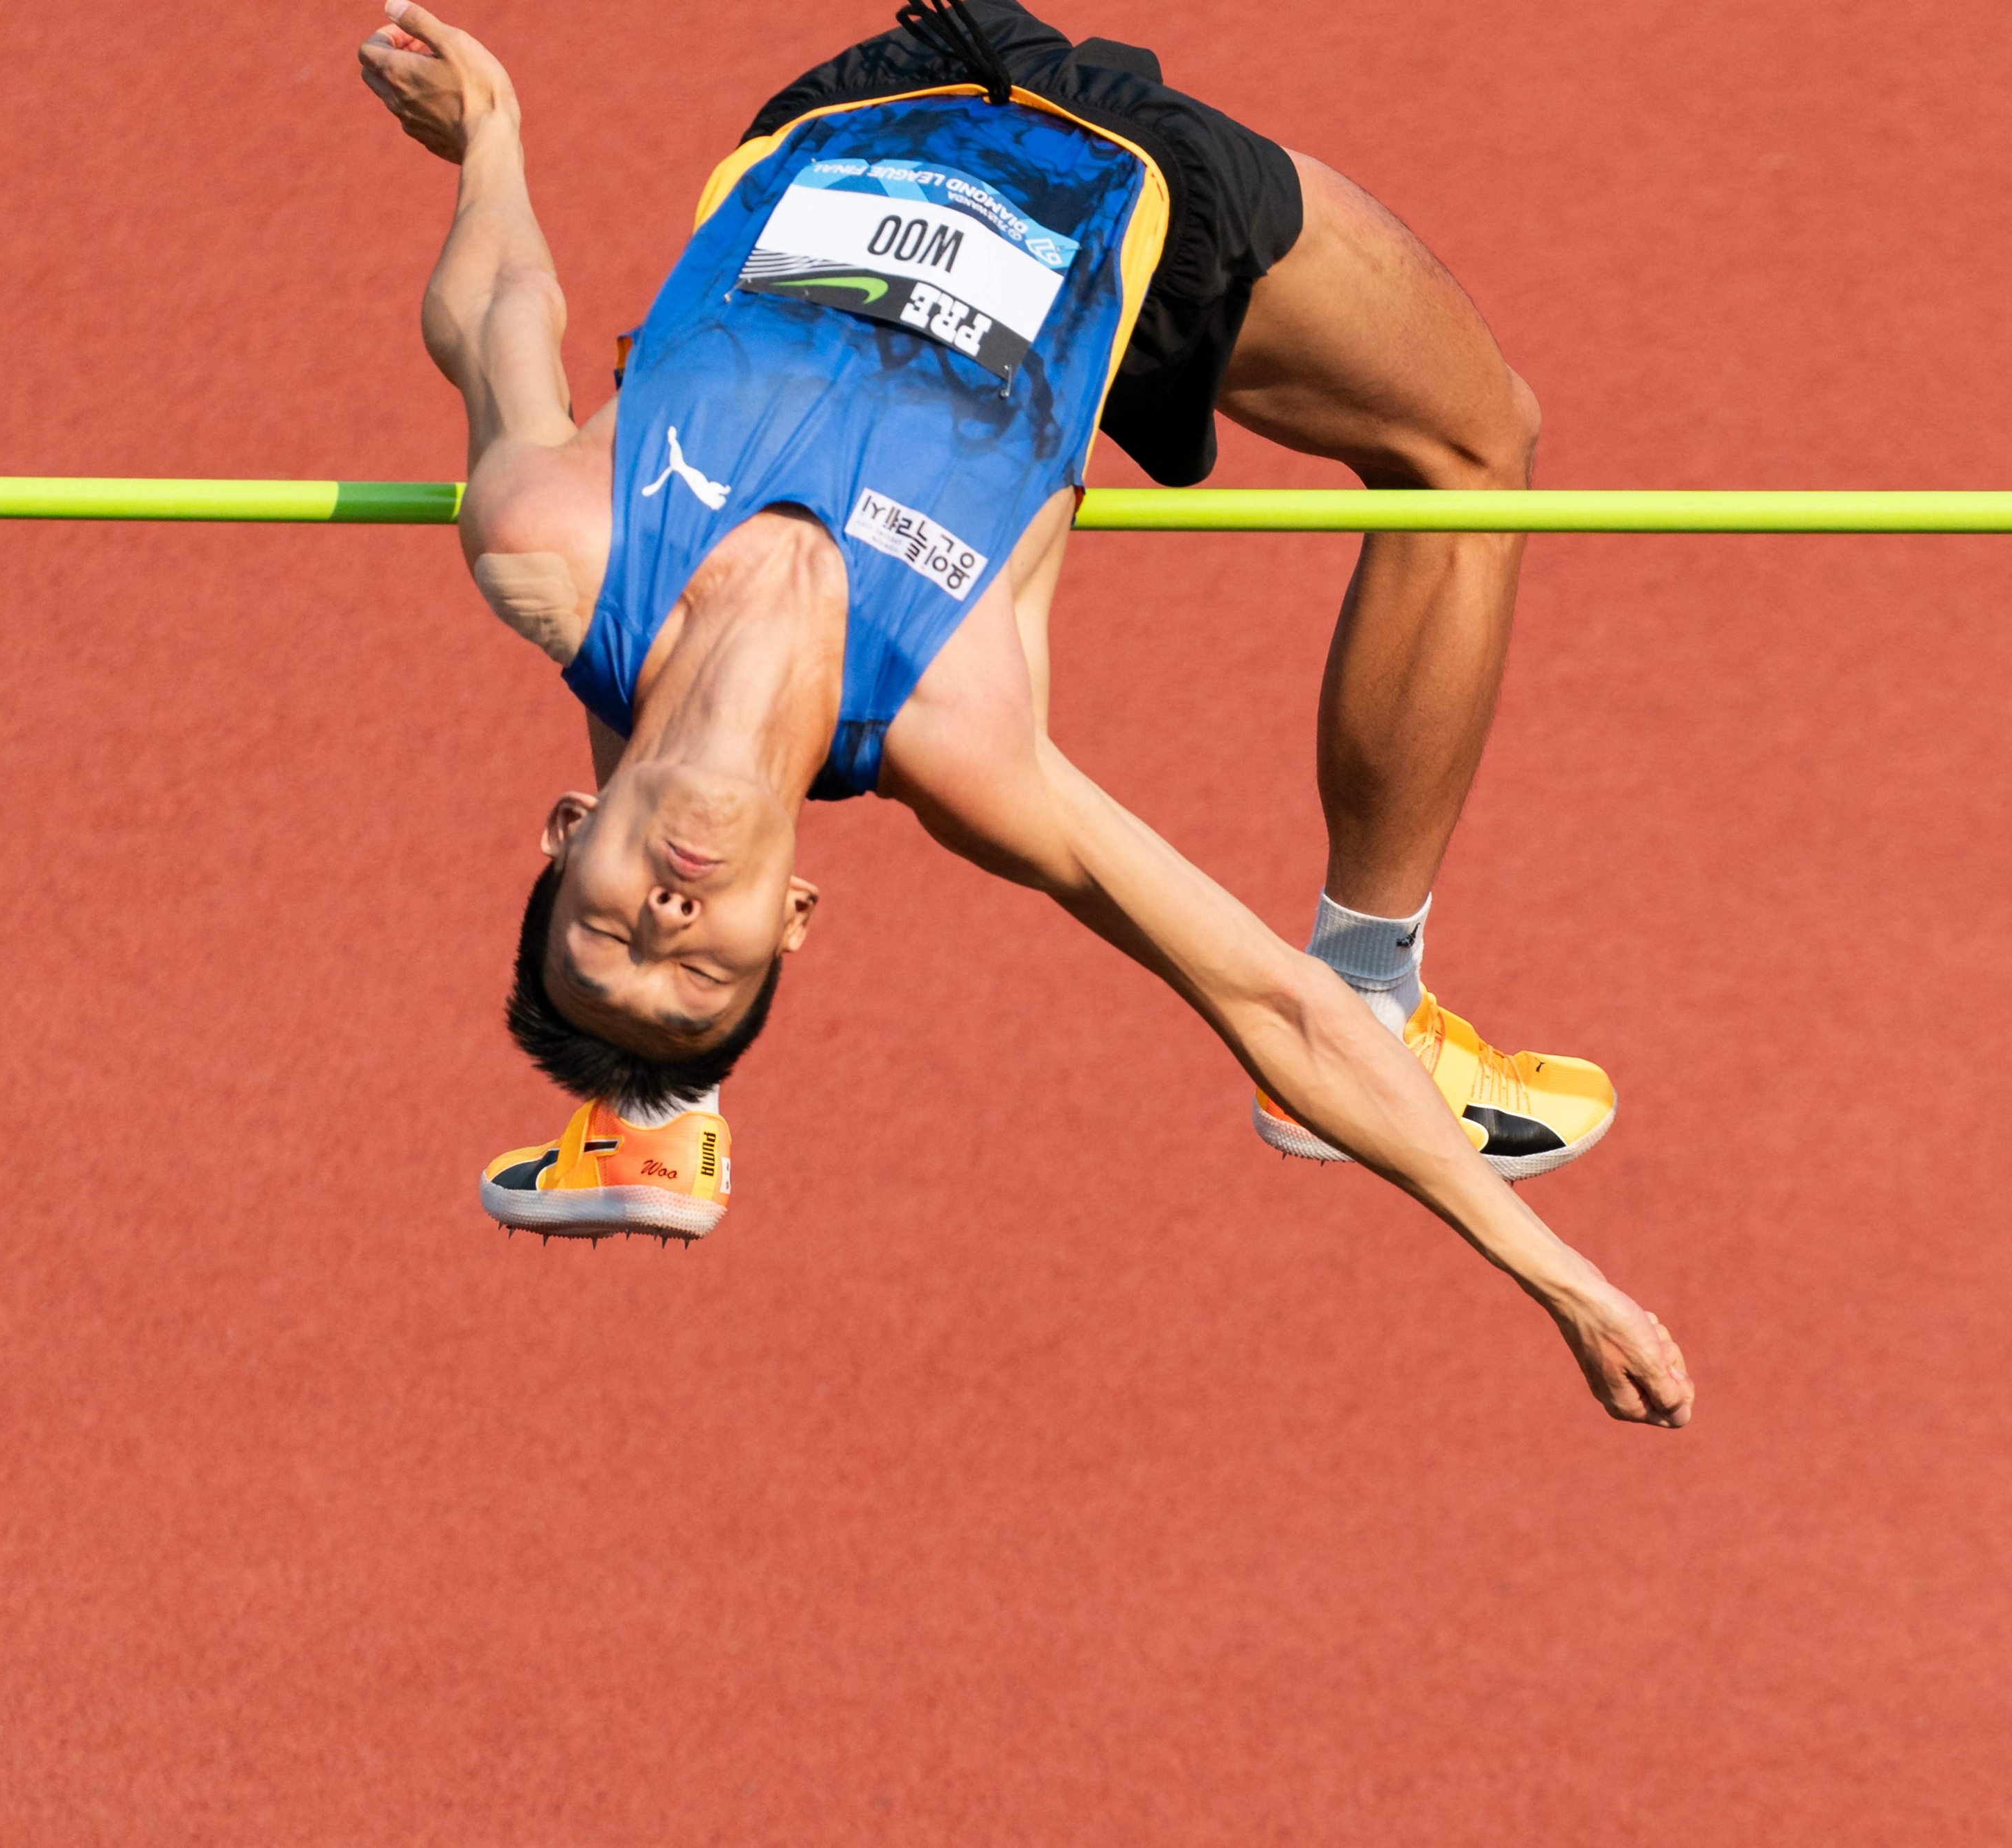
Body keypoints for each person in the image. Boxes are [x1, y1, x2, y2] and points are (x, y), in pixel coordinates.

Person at [357, 0, 1692, 1427]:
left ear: (566, 832)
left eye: (607, 926)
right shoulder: (958, 725)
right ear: (792, 920)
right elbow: (1258, 1001)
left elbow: (495, 319)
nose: (666, 924)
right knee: (1477, 438)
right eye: (701, 977)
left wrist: (486, 143)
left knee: (647, 663)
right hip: (1137, 193)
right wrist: (1561, 1277)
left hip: (864, 105)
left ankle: (659, 1115)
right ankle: (1381, 973)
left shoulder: (549, 539)